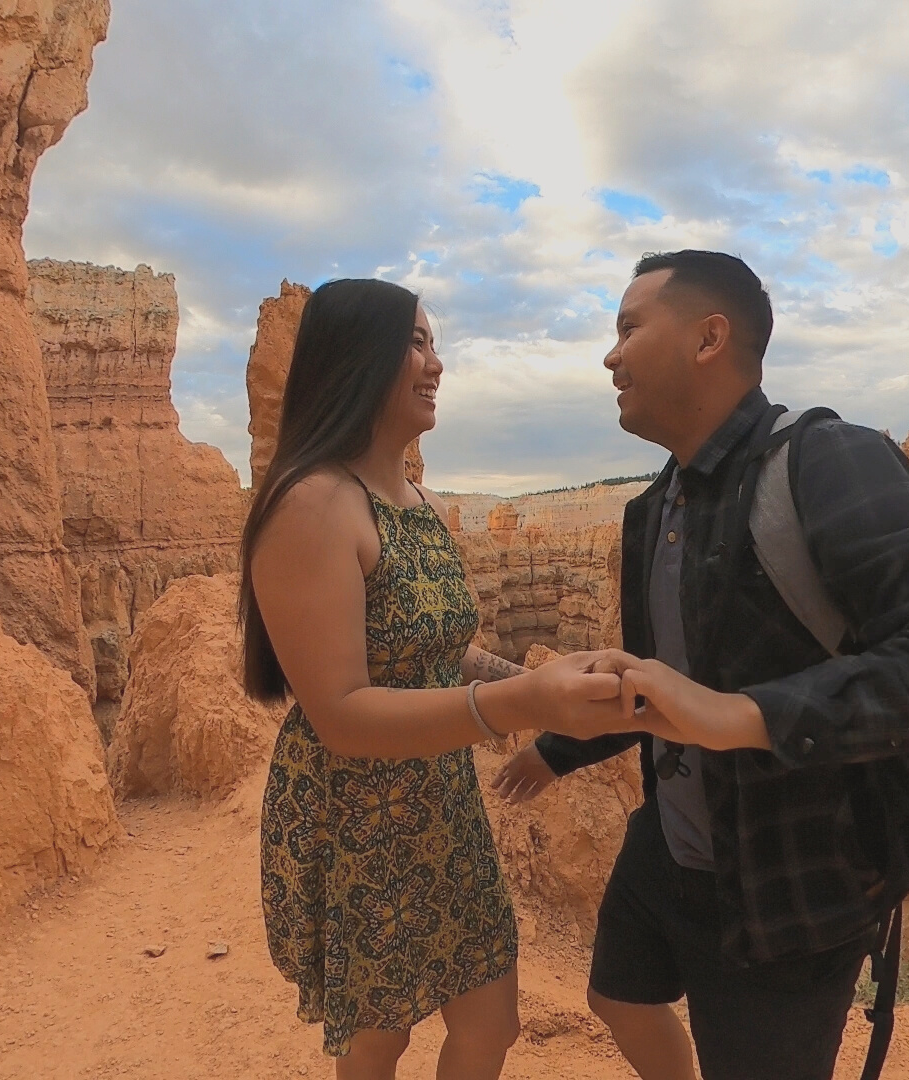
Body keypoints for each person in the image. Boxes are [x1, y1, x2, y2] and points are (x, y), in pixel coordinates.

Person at [493, 250, 909, 1080]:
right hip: (673, 841)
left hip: (792, 879)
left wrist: (746, 715)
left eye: (628, 328)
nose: (610, 356)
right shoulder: (656, 506)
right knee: (619, 997)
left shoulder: (829, 460)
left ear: (709, 338)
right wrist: (557, 750)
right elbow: (659, 682)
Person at [240, 277, 651, 1080]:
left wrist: (547, 681)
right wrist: (520, 700)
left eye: (434, 344)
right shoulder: (312, 505)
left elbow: (433, 648)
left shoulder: (418, 503)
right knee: (378, 1040)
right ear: (356, 358)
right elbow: (341, 714)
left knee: (490, 1021)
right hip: (357, 813)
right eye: (415, 342)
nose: (436, 364)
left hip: (439, 801)